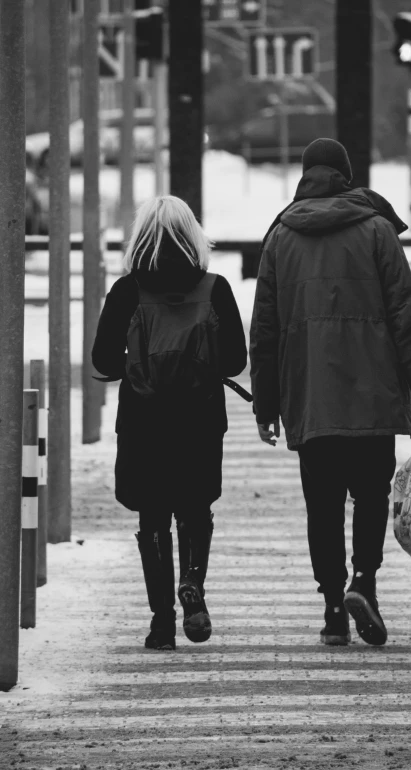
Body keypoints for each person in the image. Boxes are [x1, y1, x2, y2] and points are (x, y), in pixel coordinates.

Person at [250, 138, 411, 648]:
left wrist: (266, 406)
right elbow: (405, 320)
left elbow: (264, 331)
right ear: (347, 174)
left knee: (322, 504)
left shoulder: (280, 238)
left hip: (310, 397)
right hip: (374, 395)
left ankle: (334, 608)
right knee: (371, 495)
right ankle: (365, 582)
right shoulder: (378, 231)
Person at [92, 195, 247, 650]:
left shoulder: (126, 292)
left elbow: (103, 359)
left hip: (144, 421)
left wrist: (140, 367)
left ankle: (162, 620)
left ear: (142, 238)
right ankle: (193, 582)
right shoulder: (214, 288)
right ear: (193, 236)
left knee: (153, 513)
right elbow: (236, 360)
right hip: (200, 420)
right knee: (195, 507)